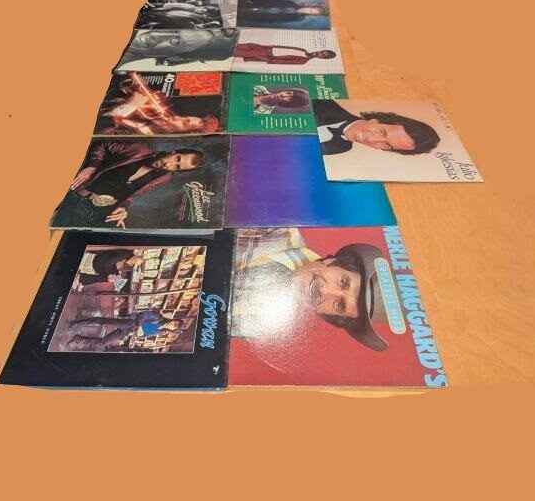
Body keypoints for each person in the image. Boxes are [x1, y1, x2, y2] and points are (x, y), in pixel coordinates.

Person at [232, 228, 388, 351]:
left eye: (340, 305)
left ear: (327, 315)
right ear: (331, 261)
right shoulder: (276, 229)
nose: (326, 291)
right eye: (343, 282)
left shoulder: (263, 326)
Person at [69, 141, 205, 228]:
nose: (169, 164)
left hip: (97, 211)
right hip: (76, 192)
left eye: (177, 166)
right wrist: (92, 166)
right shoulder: (139, 150)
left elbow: (133, 194)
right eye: (177, 159)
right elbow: (103, 144)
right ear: (173, 152)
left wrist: (123, 207)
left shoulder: (164, 178)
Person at [98, 73, 220, 136]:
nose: (177, 117)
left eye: (184, 123)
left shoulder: (139, 134)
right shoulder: (158, 114)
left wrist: (132, 105)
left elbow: (101, 125)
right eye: (185, 117)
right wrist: (136, 88)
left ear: (178, 133)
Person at [313, 100, 440, 155]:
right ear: (375, 120)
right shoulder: (323, 104)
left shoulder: (342, 147)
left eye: (386, 145)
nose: (371, 140)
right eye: (381, 132)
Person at [64, 311, 182, 352]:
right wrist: (139, 326)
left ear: (173, 330)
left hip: (127, 333)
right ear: (173, 320)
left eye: (174, 327)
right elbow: (143, 315)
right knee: (102, 321)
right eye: (174, 323)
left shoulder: (160, 331)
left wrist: (136, 335)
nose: (172, 325)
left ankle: (78, 339)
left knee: (103, 343)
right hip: (129, 323)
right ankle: (75, 323)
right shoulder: (158, 317)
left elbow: (144, 334)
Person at [238, 0, 329, 25]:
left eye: (311, 12)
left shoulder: (297, 18)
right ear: (311, 6)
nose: (308, 11)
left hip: (254, 16)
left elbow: (275, 21)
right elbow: (269, 0)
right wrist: (253, 1)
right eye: (311, 9)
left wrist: (253, 18)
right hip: (251, 4)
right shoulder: (291, 3)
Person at [234, 42, 336, 66]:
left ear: (322, 58)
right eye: (322, 51)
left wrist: (265, 59)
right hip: (265, 48)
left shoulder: (303, 61)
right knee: (237, 45)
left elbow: (282, 62)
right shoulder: (303, 50)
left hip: (266, 55)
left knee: (235, 52)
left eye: (323, 55)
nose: (320, 53)